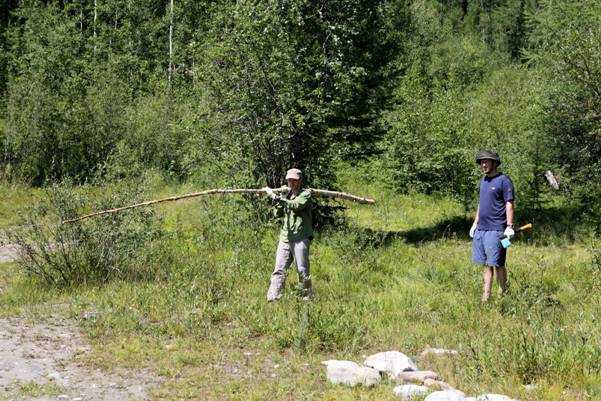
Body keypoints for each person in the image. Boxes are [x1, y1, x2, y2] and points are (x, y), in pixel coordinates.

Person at [469, 150, 515, 303]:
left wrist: (509, 226)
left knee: (498, 264)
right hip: (482, 230)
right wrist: (475, 224)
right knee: (486, 265)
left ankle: (503, 296)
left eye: (487, 161)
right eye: (482, 162)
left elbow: (509, 204)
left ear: (494, 163)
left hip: (498, 231)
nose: (483, 164)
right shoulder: (483, 181)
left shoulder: (504, 180)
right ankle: (485, 299)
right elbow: (481, 204)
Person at [263, 168, 313, 302]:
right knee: (279, 269)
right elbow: (277, 214)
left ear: (300, 180)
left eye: (294, 180)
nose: (291, 182)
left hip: (301, 237)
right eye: (289, 180)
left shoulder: (305, 194)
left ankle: (306, 298)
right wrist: (280, 200)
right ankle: (273, 298)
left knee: (302, 269)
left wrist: (278, 198)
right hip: (285, 237)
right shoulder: (287, 194)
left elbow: (296, 206)